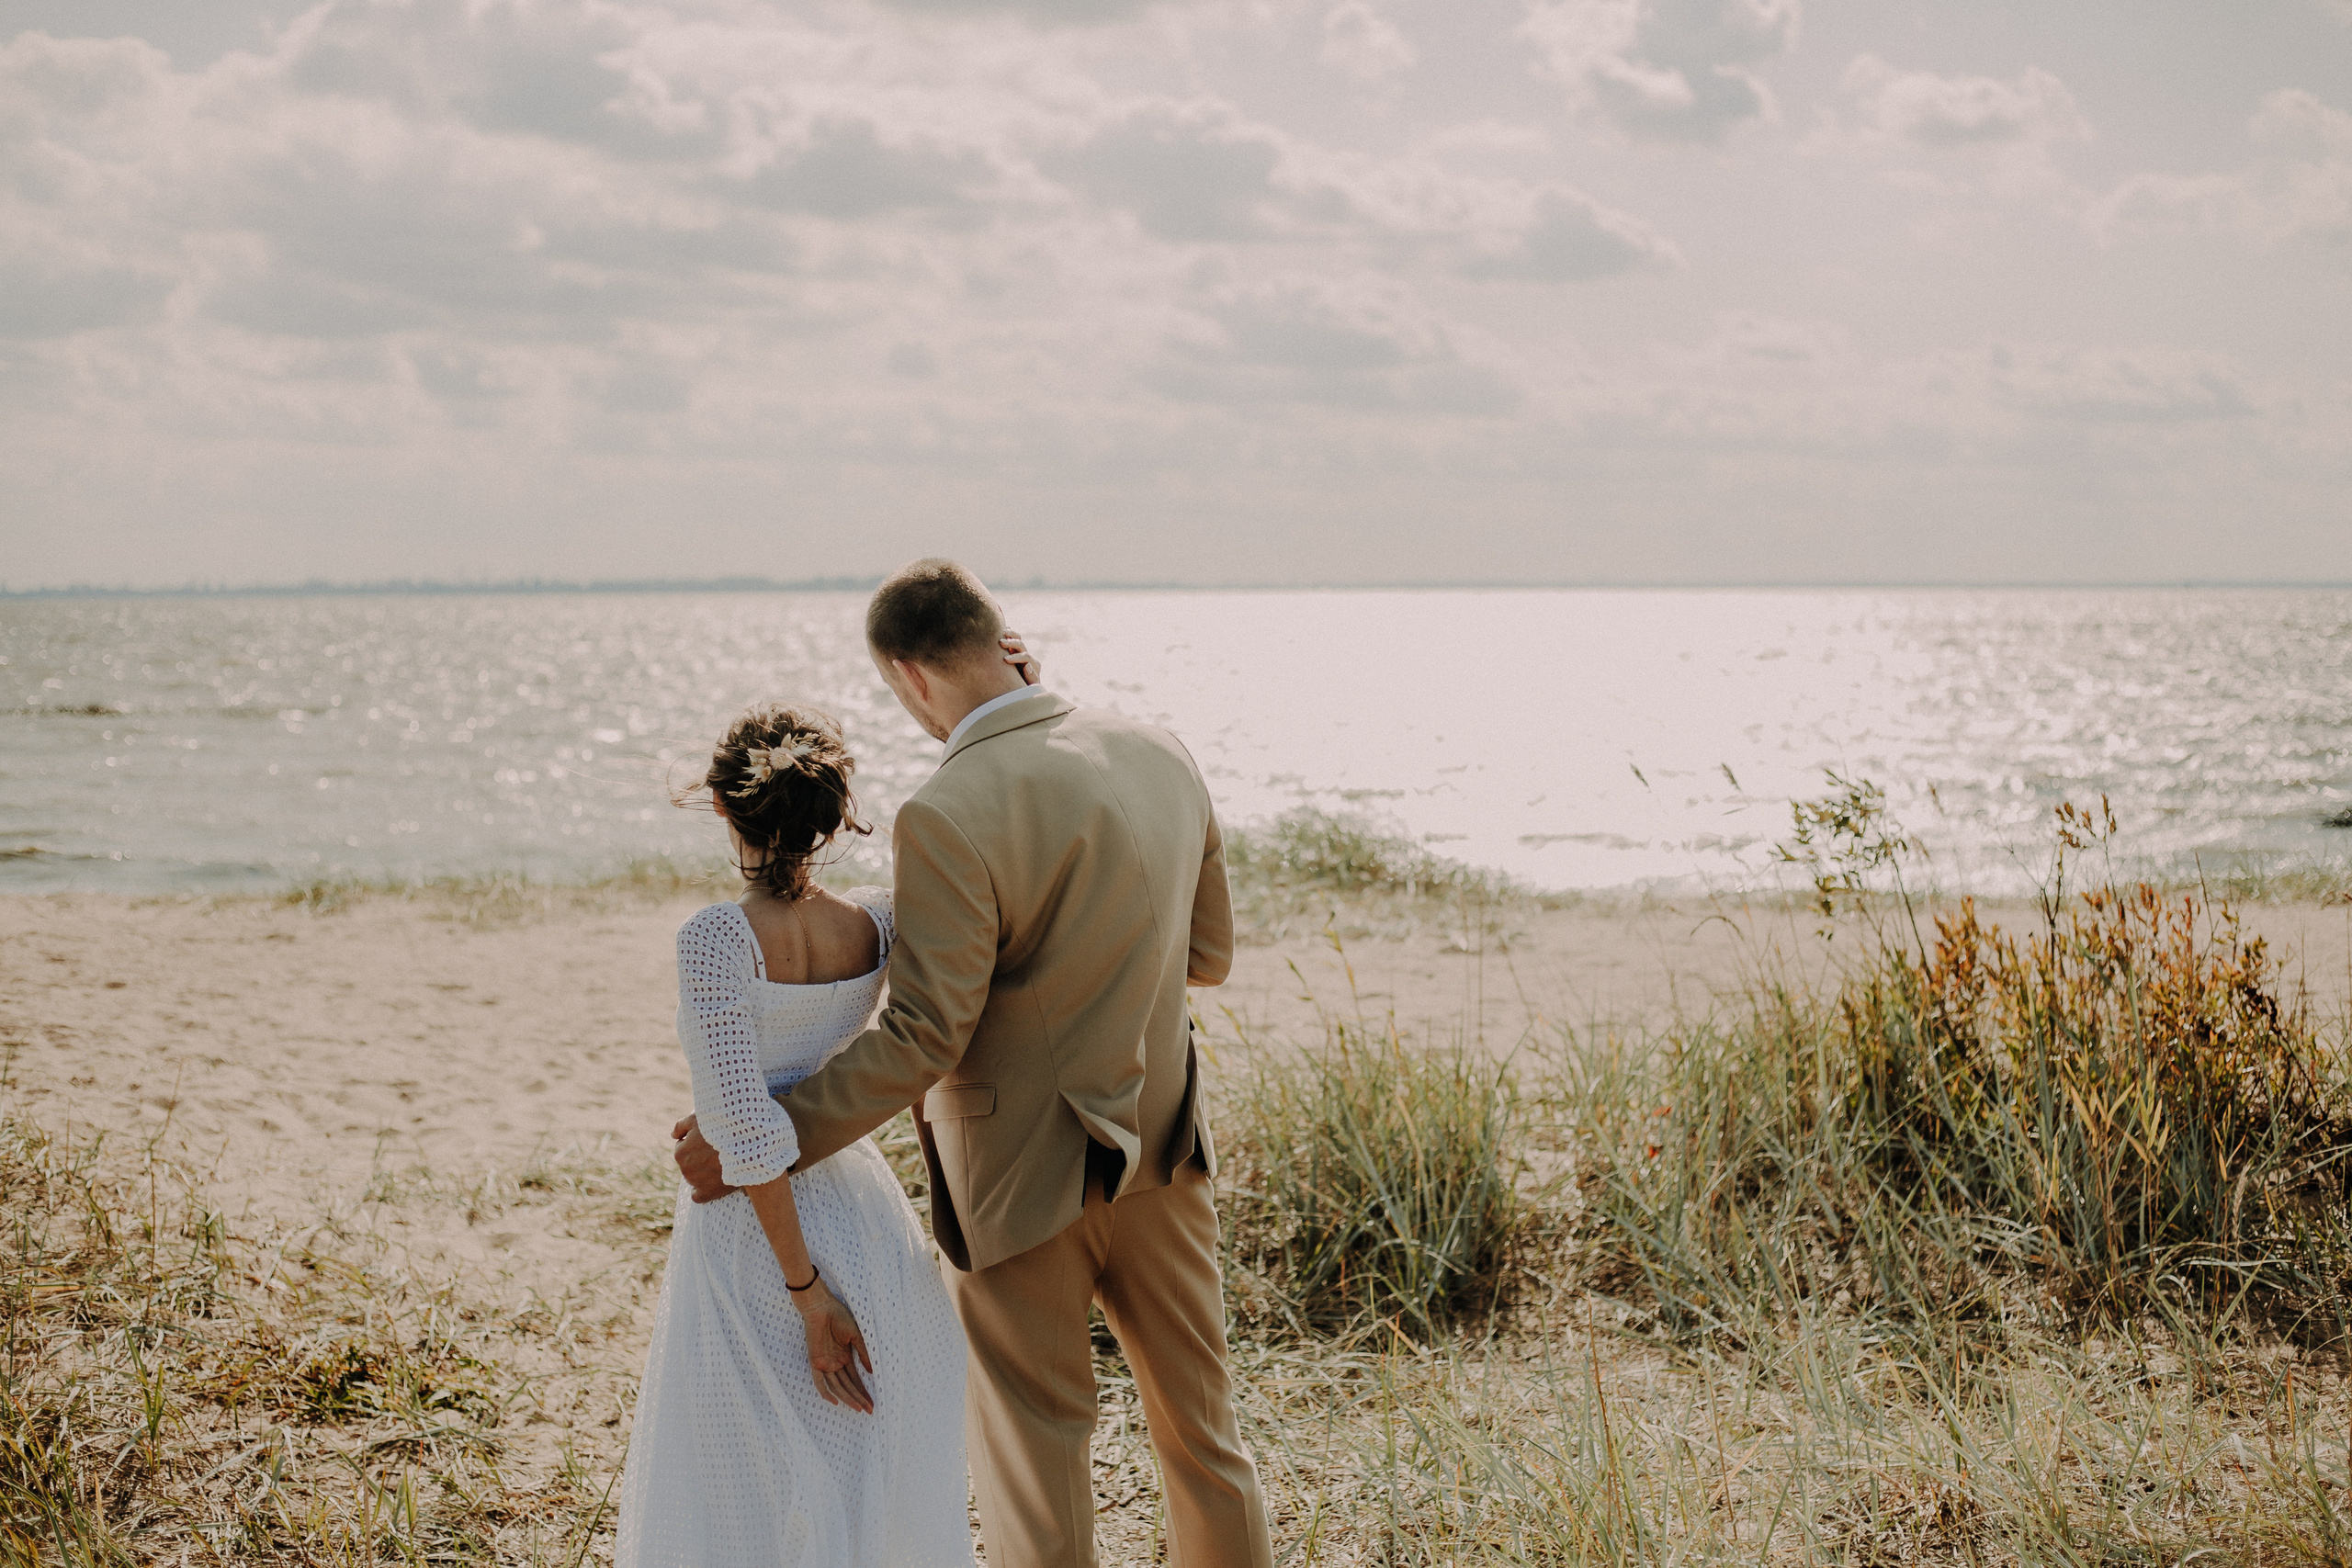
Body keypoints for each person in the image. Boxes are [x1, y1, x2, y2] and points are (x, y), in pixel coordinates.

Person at [673, 558, 1275, 1568]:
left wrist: (770, 1137)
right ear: (1003, 639)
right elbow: (1206, 957)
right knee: (1205, 1441)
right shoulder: (1159, 750)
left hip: (1018, 1181)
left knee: (1038, 1456)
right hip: (1163, 1154)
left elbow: (925, 1036)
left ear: (908, 677)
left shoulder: (948, 808)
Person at [613, 703, 975, 1567]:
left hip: (756, 1235)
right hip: (863, 1206)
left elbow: (743, 1135)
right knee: (862, 1459)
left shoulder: (716, 939)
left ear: (726, 811)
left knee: (742, 1470)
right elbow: (915, 1060)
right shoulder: (879, 926)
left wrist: (807, 1293)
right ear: (831, 815)